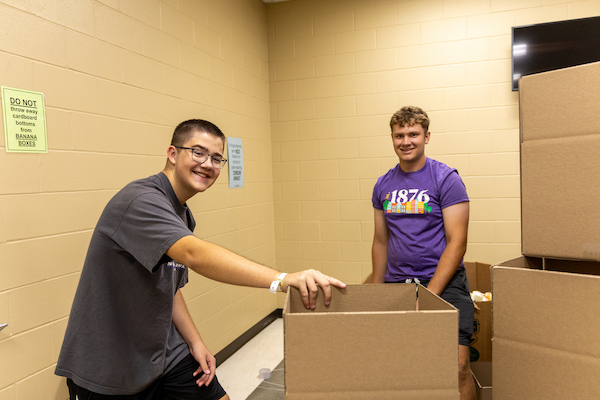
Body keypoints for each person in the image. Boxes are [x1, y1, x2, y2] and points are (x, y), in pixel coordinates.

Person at [55, 119, 346, 400]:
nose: (208, 164)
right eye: (198, 152)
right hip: (111, 364)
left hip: (164, 351)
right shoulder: (140, 201)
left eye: (217, 158)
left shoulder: (181, 212)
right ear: (172, 154)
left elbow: (169, 286)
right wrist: (282, 280)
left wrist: (195, 342)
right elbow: (195, 255)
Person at [371, 106, 475, 400]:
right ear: (392, 138)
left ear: (426, 136)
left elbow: (457, 242)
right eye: (399, 135)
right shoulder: (383, 185)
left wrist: (430, 295)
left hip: (445, 284)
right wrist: (376, 293)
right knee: (403, 366)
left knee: (457, 367)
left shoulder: (446, 179)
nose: (406, 141)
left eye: (413, 134)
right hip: (398, 285)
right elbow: (380, 241)